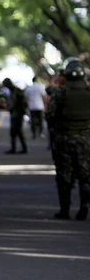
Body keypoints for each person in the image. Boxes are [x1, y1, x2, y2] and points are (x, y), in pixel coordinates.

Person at [45, 59, 90, 221]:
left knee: (64, 175)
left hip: (63, 138)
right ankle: (84, 205)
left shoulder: (60, 92)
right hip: (86, 139)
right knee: (85, 174)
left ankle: (65, 209)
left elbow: (49, 115)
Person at [3, 78, 28, 154]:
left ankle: (15, 148)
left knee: (14, 132)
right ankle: (22, 148)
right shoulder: (14, 90)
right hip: (16, 113)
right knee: (18, 131)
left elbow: (16, 103)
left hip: (17, 114)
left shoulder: (15, 91)